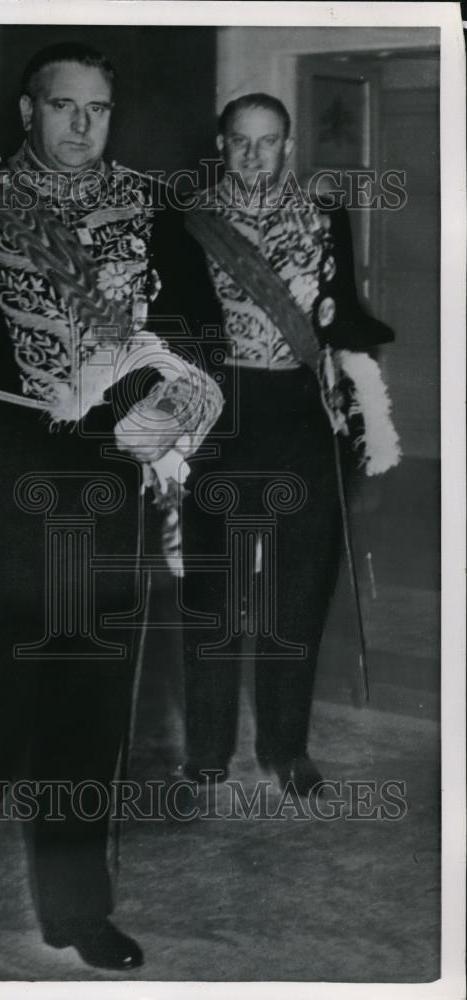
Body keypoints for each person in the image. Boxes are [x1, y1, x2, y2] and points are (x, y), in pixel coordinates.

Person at [0, 42, 223, 971]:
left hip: (109, 469)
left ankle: (76, 908)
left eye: (97, 111)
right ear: (28, 111)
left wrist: (168, 413)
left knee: (89, 692)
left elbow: (200, 335)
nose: (80, 125)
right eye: (62, 106)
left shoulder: (150, 207)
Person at [180, 93, 397, 797]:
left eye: (266, 142)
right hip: (221, 414)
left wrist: (353, 371)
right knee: (214, 593)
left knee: (295, 591)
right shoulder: (187, 221)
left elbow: (345, 313)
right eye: (240, 142)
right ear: (221, 142)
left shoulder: (325, 215)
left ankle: (286, 748)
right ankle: (206, 752)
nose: (252, 156)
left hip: (301, 416)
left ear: (286, 144)